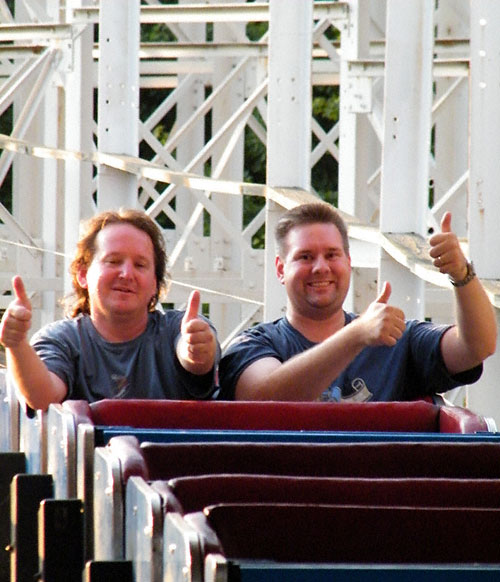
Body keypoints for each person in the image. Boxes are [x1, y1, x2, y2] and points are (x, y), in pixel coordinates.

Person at [218, 202, 497, 402]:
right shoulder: (252, 346)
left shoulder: (399, 341)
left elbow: (477, 346)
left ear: (349, 263)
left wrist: (462, 275)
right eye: (305, 257)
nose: (320, 268)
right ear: (280, 269)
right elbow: (263, 400)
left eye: (332, 255)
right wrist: (356, 336)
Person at [0, 208, 219, 410]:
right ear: (83, 274)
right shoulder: (62, 339)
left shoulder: (177, 328)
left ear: (155, 283)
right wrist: (17, 344)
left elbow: (196, 358)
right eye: (113, 261)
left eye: (140, 265)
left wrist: (195, 348)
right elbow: (42, 397)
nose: (126, 274)